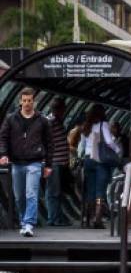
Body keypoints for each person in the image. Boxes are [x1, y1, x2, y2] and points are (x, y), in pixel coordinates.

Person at [0, 87, 53, 236]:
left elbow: (49, 143)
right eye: (24, 101)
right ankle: (24, 222)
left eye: (29, 101)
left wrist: (48, 164)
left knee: (31, 193)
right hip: (17, 162)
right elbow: (3, 137)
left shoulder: (42, 120)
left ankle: (29, 223)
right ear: (20, 101)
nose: (27, 103)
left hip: (35, 162)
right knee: (19, 196)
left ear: (34, 102)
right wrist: (3, 154)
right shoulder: (11, 118)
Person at [78, 105, 121, 229]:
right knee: (100, 190)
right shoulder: (103, 125)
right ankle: (97, 219)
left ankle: (89, 218)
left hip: (88, 160)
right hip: (100, 160)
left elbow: (82, 145)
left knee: (90, 190)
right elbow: (109, 141)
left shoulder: (85, 126)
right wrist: (117, 150)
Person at [44, 97, 72, 227]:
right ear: (59, 109)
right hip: (53, 163)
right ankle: (53, 219)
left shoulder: (58, 121)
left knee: (56, 191)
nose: (64, 112)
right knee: (53, 192)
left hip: (59, 163)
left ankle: (57, 218)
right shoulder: (50, 121)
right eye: (63, 109)